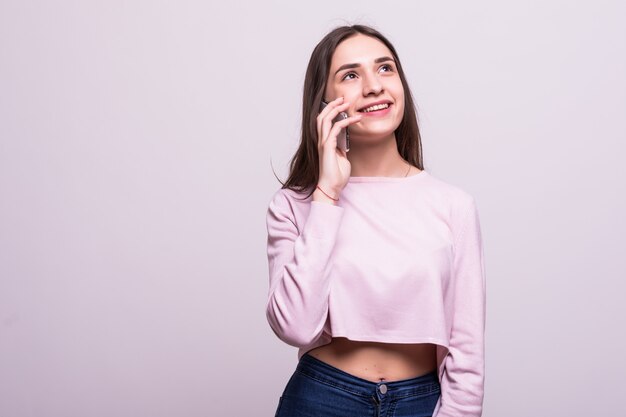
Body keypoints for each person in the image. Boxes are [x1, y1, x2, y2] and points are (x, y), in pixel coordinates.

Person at [265, 24, 486, 417]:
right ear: (324, 103)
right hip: (321, 399)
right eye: (350, 75)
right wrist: (327, 196)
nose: (373, 86)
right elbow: (296, 328)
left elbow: (466, 350)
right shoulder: (295, 206)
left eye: (385, 69)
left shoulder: (453, 205)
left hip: (422, 402)